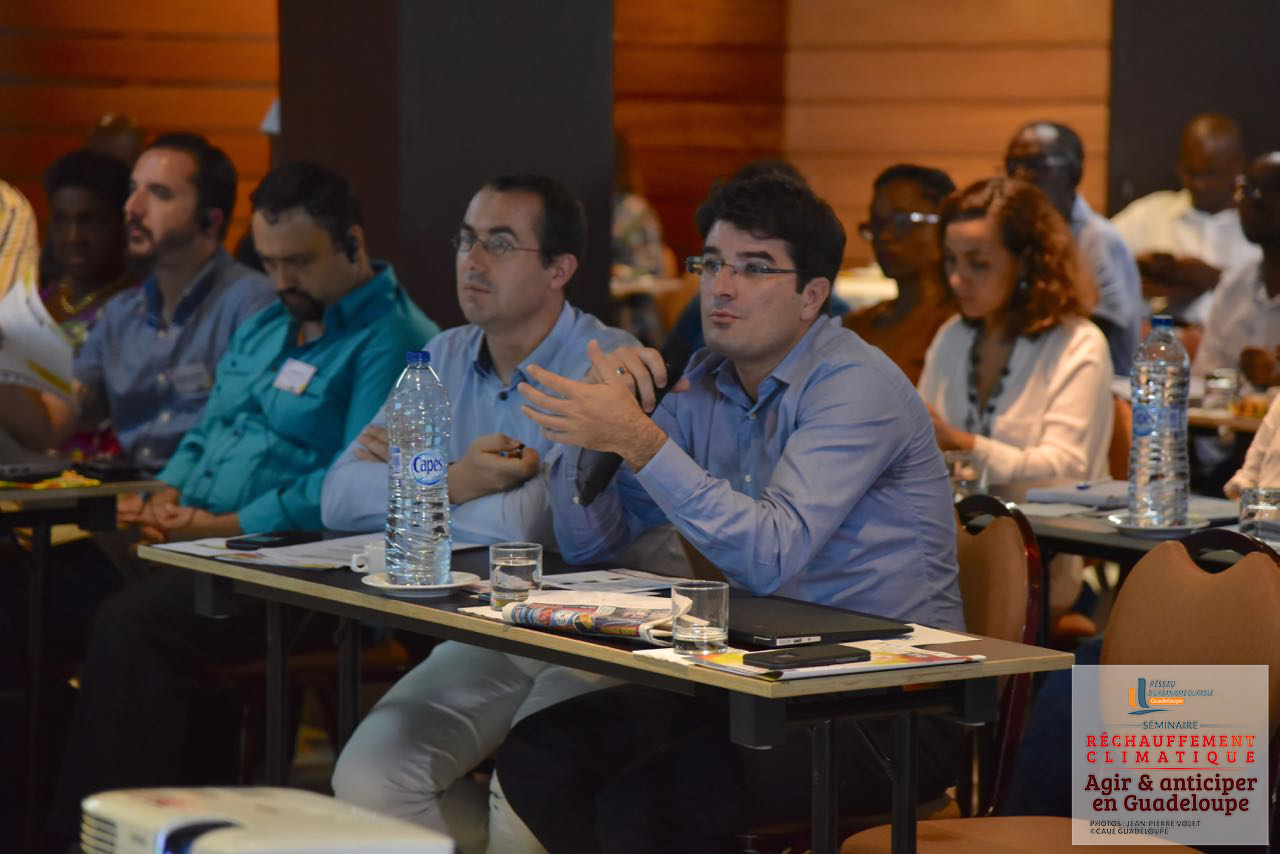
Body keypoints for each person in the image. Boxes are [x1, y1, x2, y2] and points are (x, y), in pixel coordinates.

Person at [499, 173, 964, 852]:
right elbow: (595, 544)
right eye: (712, 263)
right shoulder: (704, 381)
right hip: (759, 677)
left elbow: (769, 557)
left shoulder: (854, 385)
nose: (721, 286)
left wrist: (639, 439)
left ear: (812, 296)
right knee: (541, 756)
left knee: (649, 808)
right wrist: (592, 436)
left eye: (754, 268)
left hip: (888, 700)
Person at [44, 161, 439, 847]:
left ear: (352, 243)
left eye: (299, 262)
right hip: (192, 541)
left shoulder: (393, 339)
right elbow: (210, 429)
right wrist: (166, 494)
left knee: (130, 625)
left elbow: (348, 489)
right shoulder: (269, 324)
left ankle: (107, 839)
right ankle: (39, 818)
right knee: (32, 593)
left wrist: (221, 525)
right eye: (270, 261)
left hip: (299, 568)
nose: (282, 280)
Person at [325, 175, 682, 854]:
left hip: (613, 629)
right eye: (466, 239)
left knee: (523, 796)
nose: (472, 260)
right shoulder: (442, 355)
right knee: (370, 775)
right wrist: (458, 478)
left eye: (499, 243)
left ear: (559, 269)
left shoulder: (604, 365)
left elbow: (532, 529)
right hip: (497, 624)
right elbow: (339, 497)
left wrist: (410, 489)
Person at [0, 132, 275, 471]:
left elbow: (251, 433)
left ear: (210, 220)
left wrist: (172, 494)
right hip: (131, 494)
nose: (132, 207)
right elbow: (49, 424)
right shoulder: (121, 315)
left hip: (209, 494)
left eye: (159, 193)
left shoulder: (251, 302)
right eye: (133, 190)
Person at [918, 176, 1113, 502]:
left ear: (1026, 263)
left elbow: (1065, 470)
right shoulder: (953, 335)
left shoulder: (1078, 344)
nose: (957, 279)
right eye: (951, 260)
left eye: (978, 263)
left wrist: (960, 444)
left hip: (1049, 530)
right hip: (956, 526)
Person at [1006, 121, 1142, 375]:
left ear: (1074, 173)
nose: (1020, 177)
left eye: (1035, 165)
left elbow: (1096, 336)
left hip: (1097, 381)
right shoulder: (1016, 236)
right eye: (1012, 165)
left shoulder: (1097, 239)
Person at [1112, 113, 1256, 325]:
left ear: (1238, 166)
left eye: (1210, 173)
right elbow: (1095, 264)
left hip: (1236, 340)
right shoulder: (1148, 214)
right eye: (1191, 172)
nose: (1199, 184)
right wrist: (1134, 275)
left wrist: (1216, 279)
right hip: (1160, 338)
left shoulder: (1261, 223)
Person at [844, 163, 956, 384]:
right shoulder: (857, 324)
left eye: (902, 221)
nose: (885, 236)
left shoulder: (958, 324)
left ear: (945, 225)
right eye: (877, 224)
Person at [1191, 152, 1280, 388]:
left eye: (1271, 191)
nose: (1253, 201)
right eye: (1247, 190)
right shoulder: (1234, 286)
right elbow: (1204, 381)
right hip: (1227, 413)